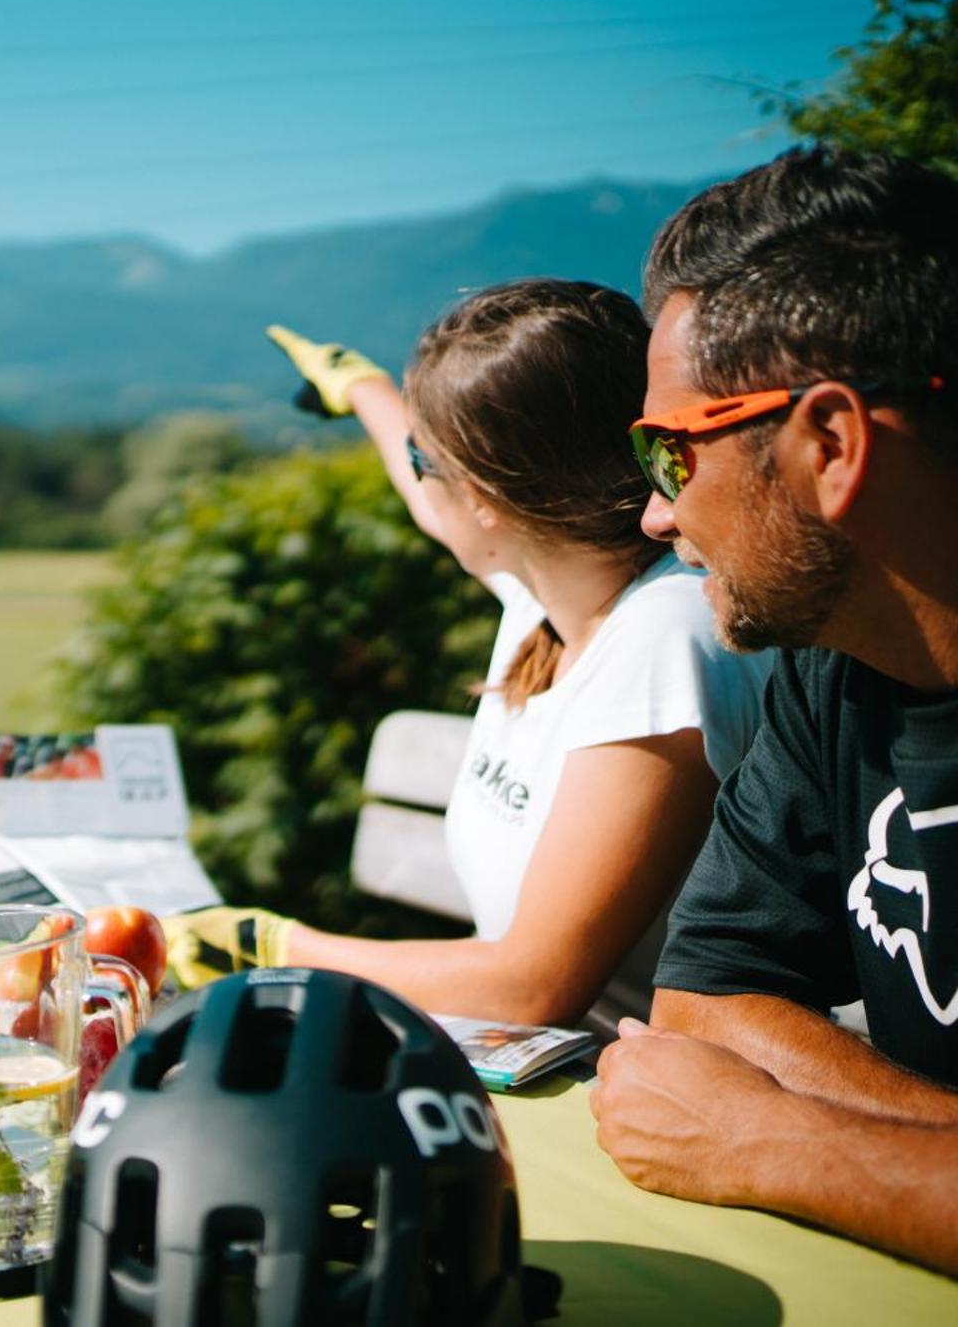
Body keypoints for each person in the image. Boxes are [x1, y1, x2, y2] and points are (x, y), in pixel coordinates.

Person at [165, 279, 773, 1030]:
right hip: (541, 1062)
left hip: (632, 1094)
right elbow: (424, 489)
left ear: (489, 496)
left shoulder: (662, 639)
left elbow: (529, 986)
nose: (417, 478)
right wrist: (364, 389)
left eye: (430, 457)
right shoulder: (551, 583)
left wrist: (274, 947)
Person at [588, 146, 958, 1276]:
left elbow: (724, 1097)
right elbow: (703, 1000)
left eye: (668, 452)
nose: (653, 518)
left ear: (831, 446)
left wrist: (778, 1137)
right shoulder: (831, 664)